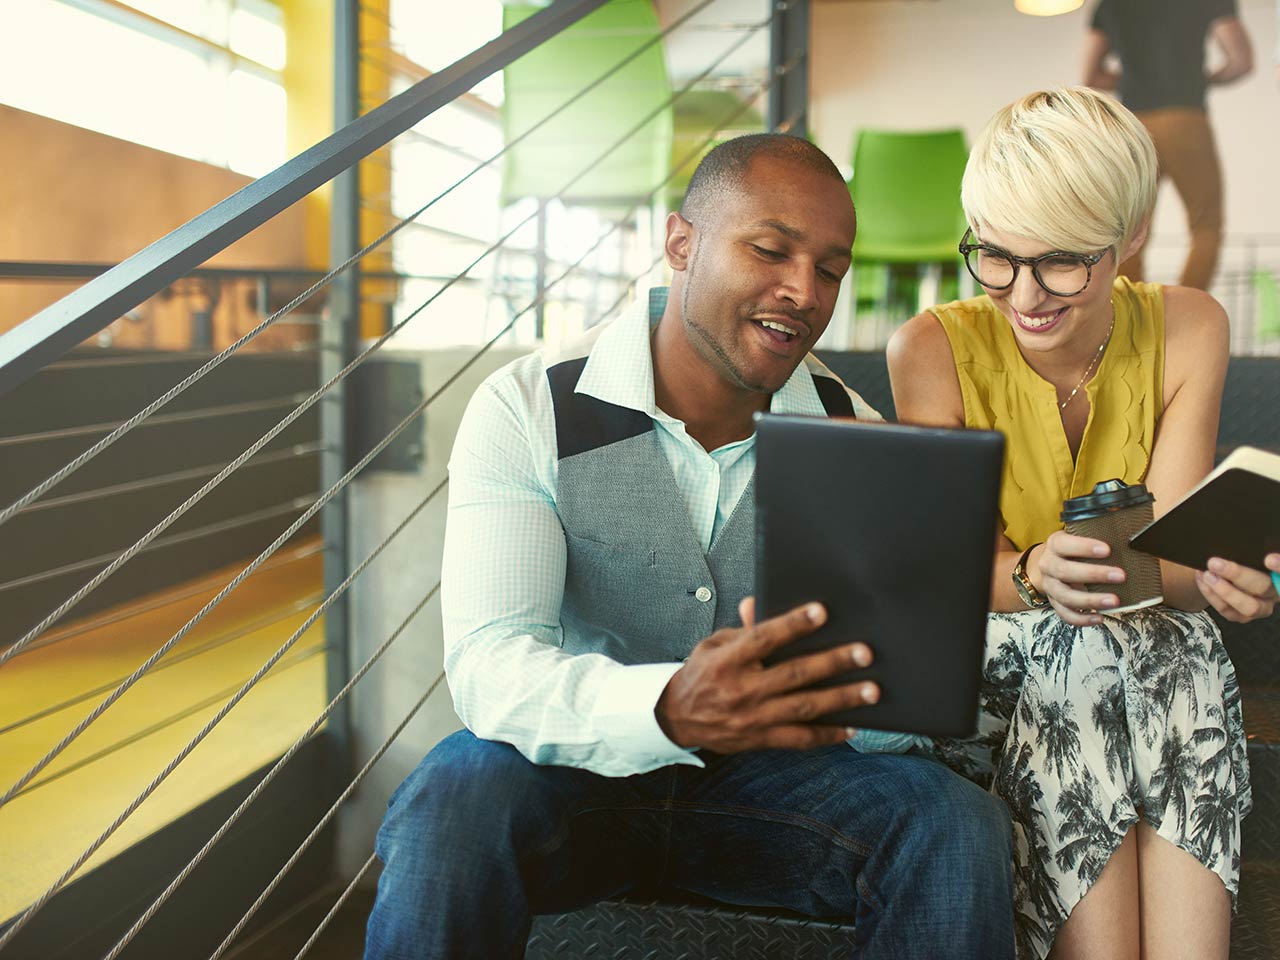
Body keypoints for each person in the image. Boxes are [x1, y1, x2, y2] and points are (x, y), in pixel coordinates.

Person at [362, 134, 1018, 960]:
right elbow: (492, 665)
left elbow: (894, 715)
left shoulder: (858, 436)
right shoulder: (530, 407)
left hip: (782, 795)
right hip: (581, 781)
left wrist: (883, 675)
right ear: (681, 243)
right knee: (454, 791)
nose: (803, 291)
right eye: (771, 250)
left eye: (829, 270)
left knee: (953, 820)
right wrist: (668, 706)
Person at [886, 88, 1279, 960]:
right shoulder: (929, 349)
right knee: (1094, 646)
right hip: (995, 649)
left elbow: (1163, 567)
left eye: (1063, 262)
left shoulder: (1189, 327)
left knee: (1152, 637)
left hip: (1132, 650)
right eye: (993, 256)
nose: (1023, 294)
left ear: (1128, 238)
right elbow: (949, 580)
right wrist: (1036, 575)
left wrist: (1224, 579)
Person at [1084, 0, 1254, 291]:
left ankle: (1132, 309)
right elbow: (1240, 62)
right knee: (1206, 225)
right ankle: (1184, 309)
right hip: (1186, 120)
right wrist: (1201, 79)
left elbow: (1092, 76)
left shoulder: (1110, 4)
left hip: (1135, 126)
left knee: (1127, 226)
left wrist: (1132, 82)